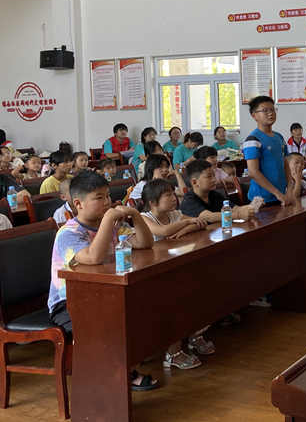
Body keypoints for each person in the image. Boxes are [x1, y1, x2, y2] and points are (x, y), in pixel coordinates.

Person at [47, 170, 159, 391]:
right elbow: (93, 258)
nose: (107, 202)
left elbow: (145, 243)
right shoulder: (69, 233)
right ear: (78, 204)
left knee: (147, 304)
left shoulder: (112, 226)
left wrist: (135, 216)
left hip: (104, 294)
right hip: (69, 303)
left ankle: (130, 361)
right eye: (99, 198)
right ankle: (121, 374)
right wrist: (108, 218)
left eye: (107, 196)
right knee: (109, 324)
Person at [140, 178, 209, 370]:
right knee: (176, 298)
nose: (173, 198)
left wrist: (186, 227)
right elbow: (162, 231)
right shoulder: (144, 217)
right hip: (152, 272)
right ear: (153, 202)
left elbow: (200, 223)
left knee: (201, 286)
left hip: (174, 265)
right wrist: (187, 222)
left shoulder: (175, 214)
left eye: (173, 193)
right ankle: (173, 352)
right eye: (168, 195)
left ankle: (195, 335)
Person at [242, 96, 290, 206]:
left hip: (282, 196)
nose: (270, 113)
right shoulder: (252, 139)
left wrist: (289, 187)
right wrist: (277, 193)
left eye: (272, 109)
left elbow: (285, 163)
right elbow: (253, 172)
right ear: (254, 115)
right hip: (262, 200)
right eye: (265, 110)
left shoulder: (279, 137)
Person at [179, 160, 255, 221]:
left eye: (214, 176)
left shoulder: (214, 195)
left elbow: (234, 208)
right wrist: (238, 215)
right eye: (209, 177)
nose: (214, 180)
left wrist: (251, 208)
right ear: (194, 182)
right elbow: (209, 217)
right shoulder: (189, 200)